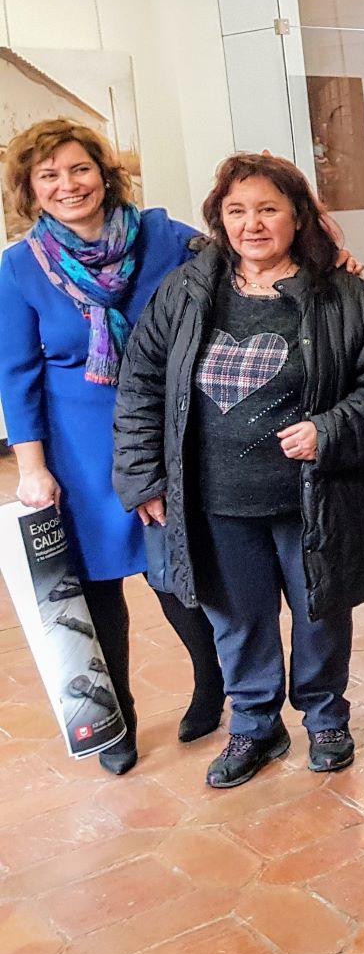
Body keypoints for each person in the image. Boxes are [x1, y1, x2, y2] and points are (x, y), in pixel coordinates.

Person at [111, 153, 364, 788]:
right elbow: (141, 384)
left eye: (269, 209)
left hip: (314, 497)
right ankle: (254, 724)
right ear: (218, 219)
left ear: (298, 217)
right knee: (236, 617)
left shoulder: (350, 298)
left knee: (320, 607)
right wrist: (143, 475)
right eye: (237, 211)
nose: (253, 224)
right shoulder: (186, 293)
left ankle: (326, 717)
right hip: (214, 498)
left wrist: (328, 431)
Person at [0, 119, 225, 776]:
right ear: (31, 189)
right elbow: (16, 376)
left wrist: (330, 248)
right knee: (97, 586)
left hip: (165, 433)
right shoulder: (18, 268)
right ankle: (115, 709)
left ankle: (211, 683)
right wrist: (33, 469)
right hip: (78, 449)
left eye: (78, 168)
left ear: (104, 172)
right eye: (50, 175)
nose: (68, 185)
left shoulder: (162, 235)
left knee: (174, 576)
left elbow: (242, 253)